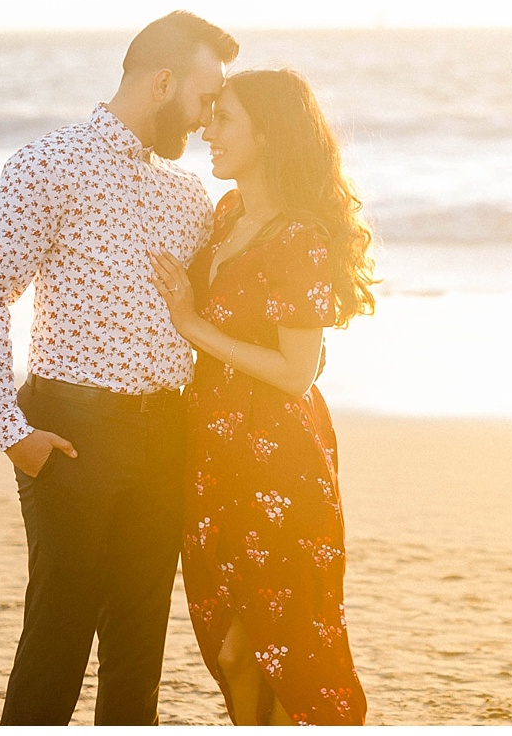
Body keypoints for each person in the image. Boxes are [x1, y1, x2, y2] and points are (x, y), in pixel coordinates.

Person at [0, 11, 239, 725]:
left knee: (139, 651)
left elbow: (218, 315)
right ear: (163, 82)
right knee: (59, 637)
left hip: (164, 435)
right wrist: (9, 428)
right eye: (204, 97)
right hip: (71, 433)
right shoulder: (48, 164)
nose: (207, 118)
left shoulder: (188, 196)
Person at [149, 68, 377, 725]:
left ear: (269, 135)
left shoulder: (300, 237)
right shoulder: (226, 216)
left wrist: (193, 327)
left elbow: (295, 372)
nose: (207, 130)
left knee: (281, 644)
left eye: (224, 119)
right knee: (228, 645)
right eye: (209, 116)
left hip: (279, 458)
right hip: (213, 452)